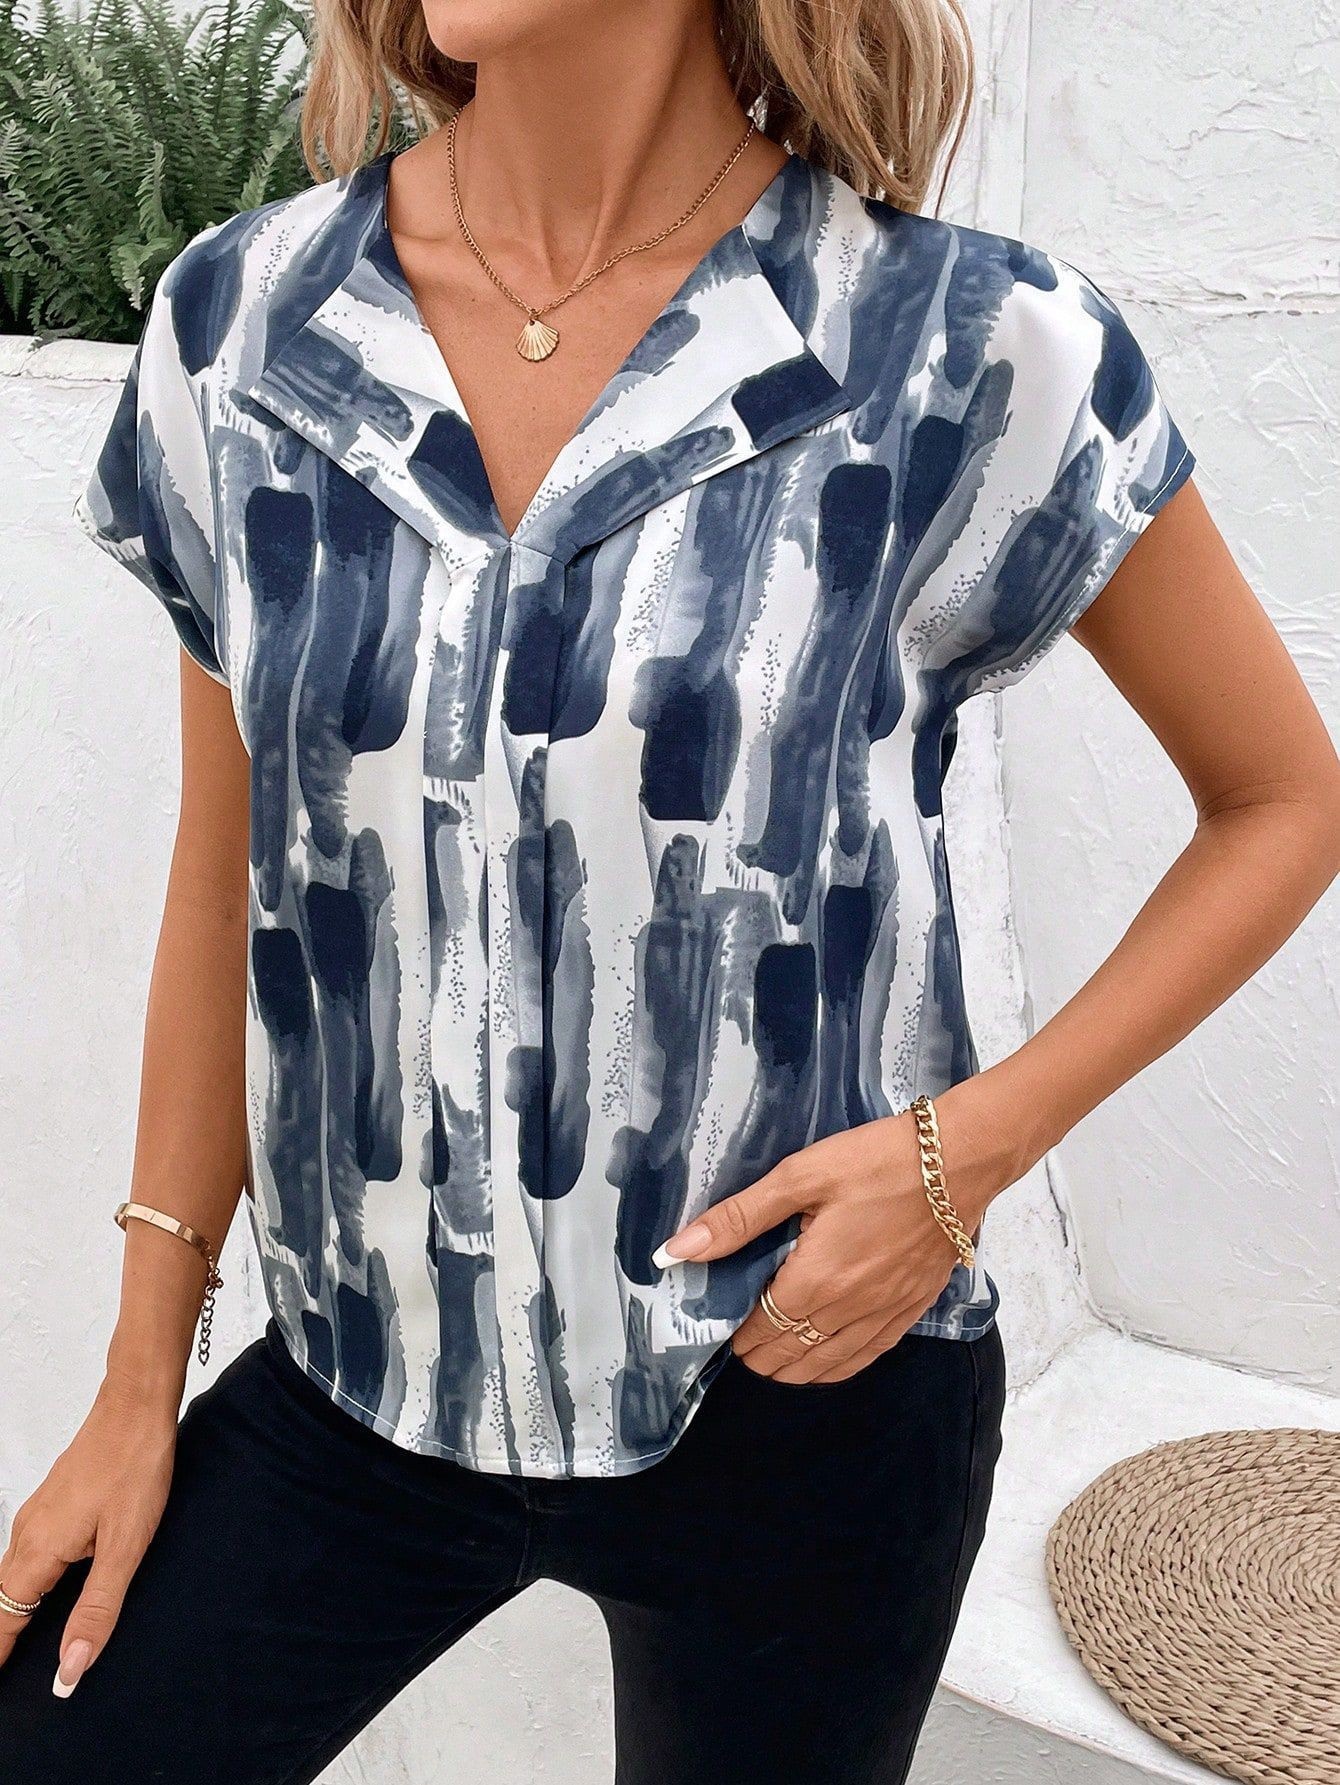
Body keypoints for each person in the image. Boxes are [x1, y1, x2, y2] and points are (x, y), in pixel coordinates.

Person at [2, 2, 1338, 1780]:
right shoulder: (244, 324)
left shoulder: (970, 345)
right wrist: (134, 1384)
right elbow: (230, 869)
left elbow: (1281, 800)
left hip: (807, 1397)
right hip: (351, 1381)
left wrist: (971, 1149)